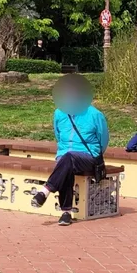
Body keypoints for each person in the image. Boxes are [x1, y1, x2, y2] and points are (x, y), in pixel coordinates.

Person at [30, 74, 109, 226]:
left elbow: (103, 140)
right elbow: (58, 136)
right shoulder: (59, 113)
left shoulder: (95, 114)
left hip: (89, 156)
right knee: (66, 163)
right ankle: (66, 213)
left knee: (68, 159)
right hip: (66, 156)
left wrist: (92, 154)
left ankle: (46, 190)